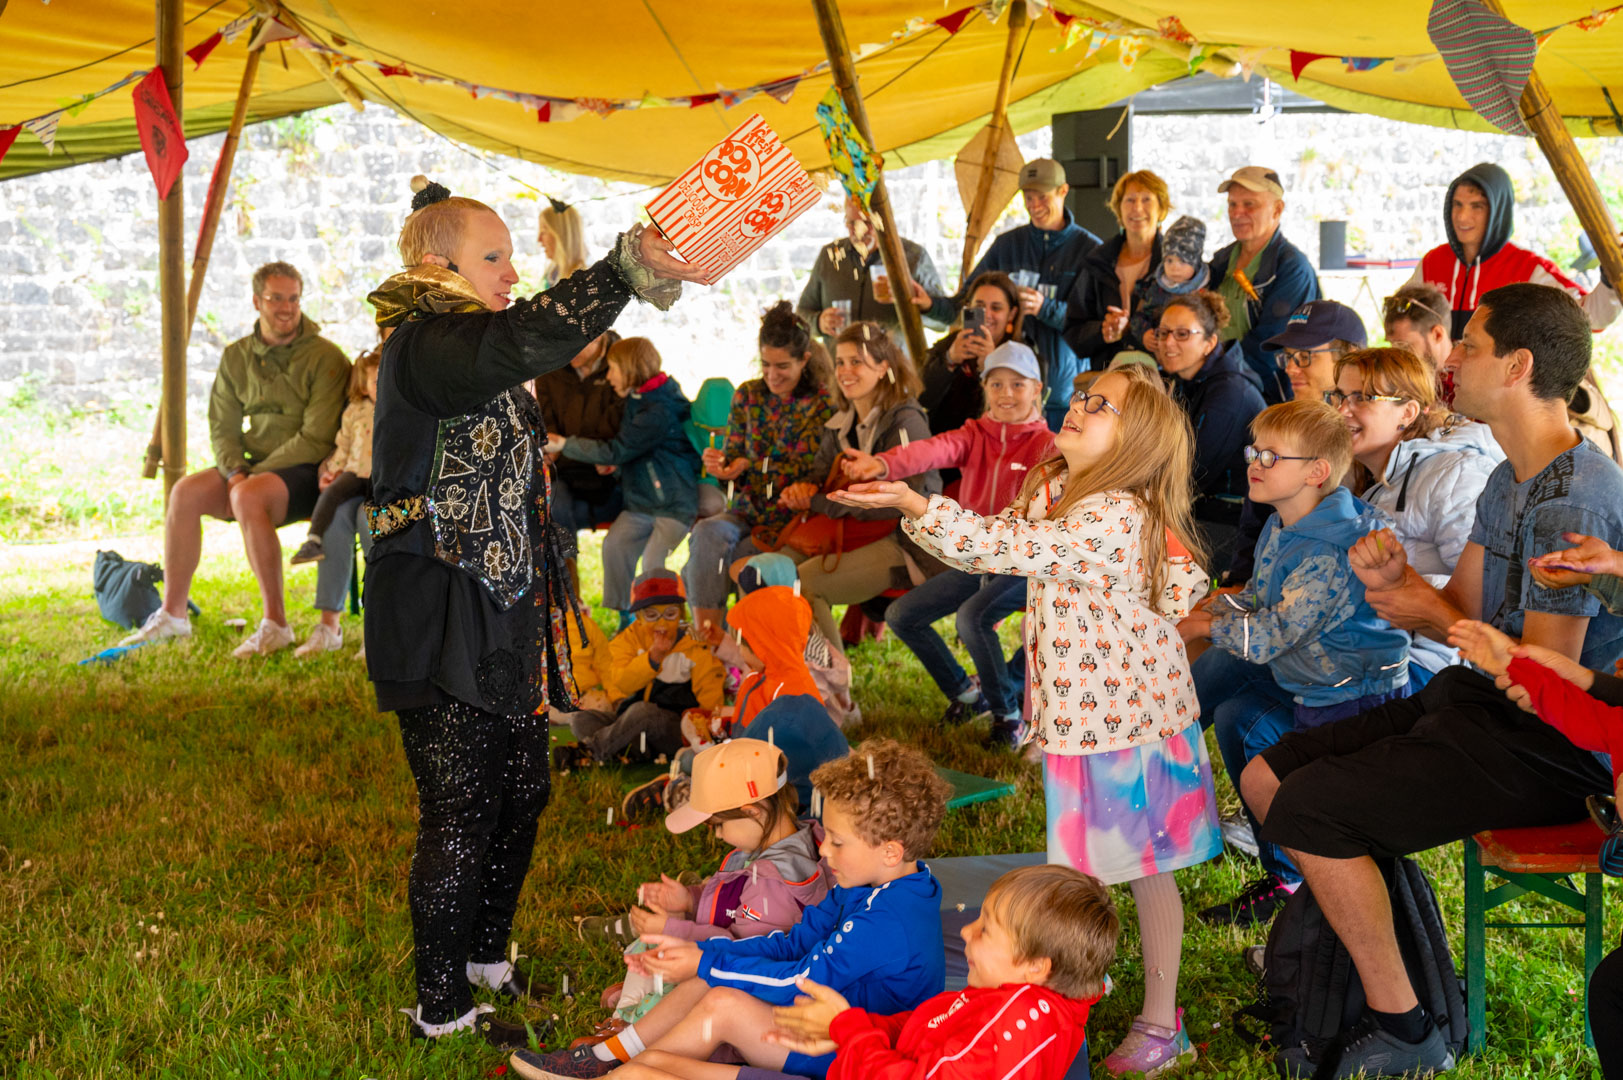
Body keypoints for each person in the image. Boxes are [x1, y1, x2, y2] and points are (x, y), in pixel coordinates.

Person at [1238, 283, 1623, 1079]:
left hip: (1558, 743)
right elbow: (1463, 609)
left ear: (1516, 366)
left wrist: (1423, 608)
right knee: (1268, 774)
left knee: (1311, 808)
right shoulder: (1511, 475)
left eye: (1469, 345)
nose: (1450, 359)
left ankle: (1405, 1023)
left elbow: (1540, 680)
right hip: (1487, 704)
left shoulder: (1574, 495)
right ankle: (1363, 966)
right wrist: (1399, 585)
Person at [359, 173, 702, 1044]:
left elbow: (524, 370)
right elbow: (524, 338)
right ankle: (440, 1009)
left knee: (521, 790)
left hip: (497, 605)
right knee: (462, 807)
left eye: (511, 258)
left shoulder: (470, 345)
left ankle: (485, 963)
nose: (511, 273)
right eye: (494, 258)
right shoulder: (428, 342)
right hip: (438, 605)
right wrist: (622, 268)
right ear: (439, 267)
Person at [835, 365, 1221, 1078]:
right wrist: (913, 504)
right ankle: (1077, 984)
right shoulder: (1057, 487)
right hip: (1081, 721)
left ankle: (1158, 1021)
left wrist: (913, 502)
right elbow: (988, 538)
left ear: (1136, 438)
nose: (1079, 406)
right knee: (1083, 869)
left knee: (1141, 871)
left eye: (1101, 406)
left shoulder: (1118, 514)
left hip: (1132, 726)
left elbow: (1008, 548)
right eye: (1082, 396)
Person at [509, 738, 951, 1080]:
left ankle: (619, 1064)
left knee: (718, 997)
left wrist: (706, 961)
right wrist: (705, 957)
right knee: (710, 989)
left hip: (848, 1052)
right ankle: (609, 1058)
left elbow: (800, 978)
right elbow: (792, 943)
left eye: (836, 841)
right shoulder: (868, 886)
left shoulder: (889, 919)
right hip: (825, 1029)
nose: (824, 850)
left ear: (890, 851)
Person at [1178, 400, 1410, 925]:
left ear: (1317, 472)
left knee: (1326, 808)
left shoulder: (1327, 550)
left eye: (1270, 456)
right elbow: (1260, 599)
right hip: (1315, 684)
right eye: (1253, 452)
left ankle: (1328, 894)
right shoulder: (1282, 525)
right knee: (1241, 721)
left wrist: (1204, 627)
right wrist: (1213, 607)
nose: (1254, 464)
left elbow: (1274, 633)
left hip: (1354, 697)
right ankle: (1291, 879)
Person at [119, 261, 352, 658]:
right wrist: (234, 472)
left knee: (247, 495)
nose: (286, 308)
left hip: (311, 473)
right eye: (276, 298)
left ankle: (276, 624)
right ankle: (173, 615)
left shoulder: (326, 356)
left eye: (293, 299)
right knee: (185, 493)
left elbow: (315, 439)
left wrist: (250, 479)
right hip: (252, 471)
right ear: (256, 301)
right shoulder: (236, 356)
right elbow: (222, 427)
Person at [841, 341, 1053, 746]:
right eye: (996, 384)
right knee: (902, 615)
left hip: (1023, 565)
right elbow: (932, 450)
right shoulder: (975, 434)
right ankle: (969, 695)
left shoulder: (1049, 445)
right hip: (973, 558)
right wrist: (882, 463)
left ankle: (1008, 716)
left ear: (1037, 389)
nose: (1006, 394)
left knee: (972, 618)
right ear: (984, 388)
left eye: (1017, 384)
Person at [765, 864, 1120, 1080]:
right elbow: (931, 1025)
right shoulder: (1014, 993)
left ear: (1035, 966)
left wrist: (850, 1029)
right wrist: (853, 1030)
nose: (965, 931)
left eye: (985, 929)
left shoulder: (1018, 1020)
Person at [579, 739, 830, 1039]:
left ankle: (630, 1027)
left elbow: (740, 952)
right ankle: (640, 1002)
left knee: (662, 952)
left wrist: (674, 929)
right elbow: (731, 910)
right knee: (650, 948)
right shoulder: (774, 846)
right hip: (725, 965)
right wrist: (690, 900)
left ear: (753, 812)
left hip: (746, 991)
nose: (718, 835)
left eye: (717, 824)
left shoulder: (774, 884)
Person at [1331, 347, 1503, 684]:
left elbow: (1484, 595)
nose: (1341, 411)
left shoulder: (1455, 474)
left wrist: (1396, 588)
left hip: (1430, 667)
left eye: (1362, 398)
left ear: (1408, 412)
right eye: (1338, 396)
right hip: (1366, 647)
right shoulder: (1352, 475)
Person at [778, 323, 940, 657]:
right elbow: (821, 477)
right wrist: (803, 491)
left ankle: (835, 685)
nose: (845, 371)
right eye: (840, 362)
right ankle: (785, 672)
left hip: (906, 541)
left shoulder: (907, 421)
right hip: (853, 530)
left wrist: (819, 502)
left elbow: (900, 504)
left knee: (805, 584)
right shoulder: (842, 419)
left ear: (883, 368)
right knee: (769, 572)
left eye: (857, 362)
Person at [685, 302, 834, 631]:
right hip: (744, 511)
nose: (772, 375)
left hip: (790, 521)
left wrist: (747, 465)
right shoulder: (747, 395)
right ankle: (709, 640)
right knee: (706, 532)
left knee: (736, 558)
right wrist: (723, 468)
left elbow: (806, 471)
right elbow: (733, 462)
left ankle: (741, 644)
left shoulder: (822, 403)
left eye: (782, 366)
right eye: (765, 365)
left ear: (805, 359)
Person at [547, 337, 701, 625]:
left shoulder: (657, 410)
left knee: (653, 562)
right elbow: (633, 453)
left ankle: (664, 623)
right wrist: (616, 468)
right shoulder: (637, 399)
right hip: (642, 503)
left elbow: (618, 449)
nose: (609, 377)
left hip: (672, 505)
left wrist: (564, 444)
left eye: (613, 369)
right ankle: (626, 619)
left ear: (631, 371)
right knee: (614, 546)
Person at [956, 157, 1102, 421]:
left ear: (1063, 191)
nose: (1034, 206)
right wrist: (929, 305)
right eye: (1028, 197)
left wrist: (1046, 308)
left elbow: (1094, 327)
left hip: (1064, 398)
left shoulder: (1090, 250)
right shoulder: (1006, 245)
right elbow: (966, 299)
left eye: (1042, 197)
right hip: (1010, 397)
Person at [1407, 161, 1620, 337]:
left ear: (1497, 211)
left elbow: (1590, 318)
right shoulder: (1433, 262)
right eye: (1457, 204)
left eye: (1477, 206)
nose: (1462, 217)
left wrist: (1610, 279)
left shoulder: (1528, 269)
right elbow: (1400, 317)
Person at [557, 570, 726, 767]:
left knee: (643, 712)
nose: (662, 623)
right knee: (581, 719)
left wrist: (703, 733)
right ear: (639, 616)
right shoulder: (628, 640)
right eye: (652, 615)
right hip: (634, 725)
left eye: (670, 614)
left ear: (681, 613)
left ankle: (590, 752)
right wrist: (653, 658)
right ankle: (630, 753)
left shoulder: (695, 647)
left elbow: (710, 701)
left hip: (677, 730)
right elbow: (622, 683)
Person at [1154, 290, 1265, 573]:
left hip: (1238, 524)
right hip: (1206, 510)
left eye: (1182, 334)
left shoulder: (1228, 392)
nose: (1168, 342)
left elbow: (1192, 472)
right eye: (1163, 333)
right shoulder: (1190, 381)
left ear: (1210, 342)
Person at [1208, 166, 1321, 404]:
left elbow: (1272, 345)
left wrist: (1210, 367)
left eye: (1249, 204)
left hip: (1270, 396)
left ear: (1277, 209)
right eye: (1232, 204)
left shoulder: (1292, 268)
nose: (1237, 213)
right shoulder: (1222, 260)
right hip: (1223, 383)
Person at [795, 194, 951, 349]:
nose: (858, 231)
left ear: (883, 220)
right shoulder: (830, 256)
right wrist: (819, 322)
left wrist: (907, 299)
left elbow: (943, 322)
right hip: (839, 363)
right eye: (852, 223)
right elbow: (801, 315)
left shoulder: (914, 257)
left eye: (866, 223)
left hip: (892, 363)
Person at [1068, 169, 1176, 370]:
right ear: (1119, 209)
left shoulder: (1176, 264)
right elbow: (1073, 332)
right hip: (1106, 378)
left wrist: (1131, 330)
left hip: (1160, 380)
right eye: (1130, 200)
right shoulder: (1097, 261)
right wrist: (1102, 330)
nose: (1137, 208)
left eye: (1146, 199)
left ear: (1161, 208)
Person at [290, 345, 378, 571]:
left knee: (372, 514)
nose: (382, 388)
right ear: (364, 386)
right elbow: (344, 444)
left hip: (380, 477)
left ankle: (377, 567)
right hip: (355, 471)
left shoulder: (395, 410)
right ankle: (313, 540)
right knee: (332, 493)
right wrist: (332, 469)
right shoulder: (355, 411)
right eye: (376, 383)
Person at [535, 329, 626, 543]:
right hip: (564, 474)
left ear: (597, 336)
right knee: (551, 505)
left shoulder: (622, 365)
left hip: (613, 474)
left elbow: (624, 433)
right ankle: (565, 564)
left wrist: (571, 446)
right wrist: (548, 450)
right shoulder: (550, 370)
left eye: (574, 344)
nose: (568, 351)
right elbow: (546, 425)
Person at [917, 270, 1021, 442]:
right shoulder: (950, 344)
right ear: (968, 308)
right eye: (979, 306)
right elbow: (922, 398)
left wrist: (991, 368)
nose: (986, 314)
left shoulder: (1022, 356)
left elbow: (1015, 416)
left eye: (996, 308)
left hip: (992, 447)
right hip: (942, 445)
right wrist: (949, 360)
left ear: (1011, 314)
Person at [539, 196, 589, 286]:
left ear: (561, 234)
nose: (539, 239)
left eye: (543, 232)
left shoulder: (582, 282)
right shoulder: (553, 273)